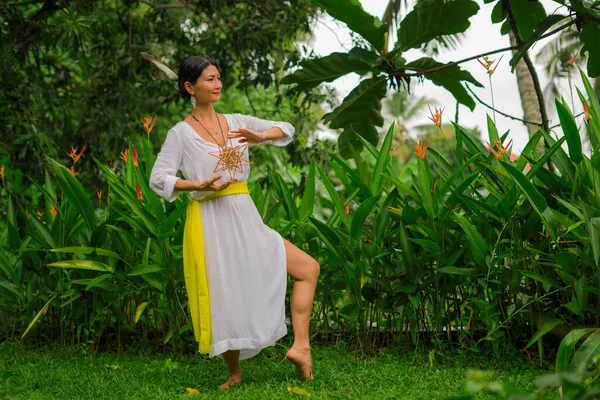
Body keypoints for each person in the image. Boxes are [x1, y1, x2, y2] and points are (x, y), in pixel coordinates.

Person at [149, 56, 320, 389]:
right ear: (190, 87)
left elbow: (286, 129)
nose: (218, 84)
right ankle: (235, 373)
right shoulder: (181, 134)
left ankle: (301, 346)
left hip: (247, 217)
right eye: (210, 79)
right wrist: (196, 185)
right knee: (225, 294)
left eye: (218, 77)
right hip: (210, 222)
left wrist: (260, 136)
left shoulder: (236, 121)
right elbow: (159, 178)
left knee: (307, 269)